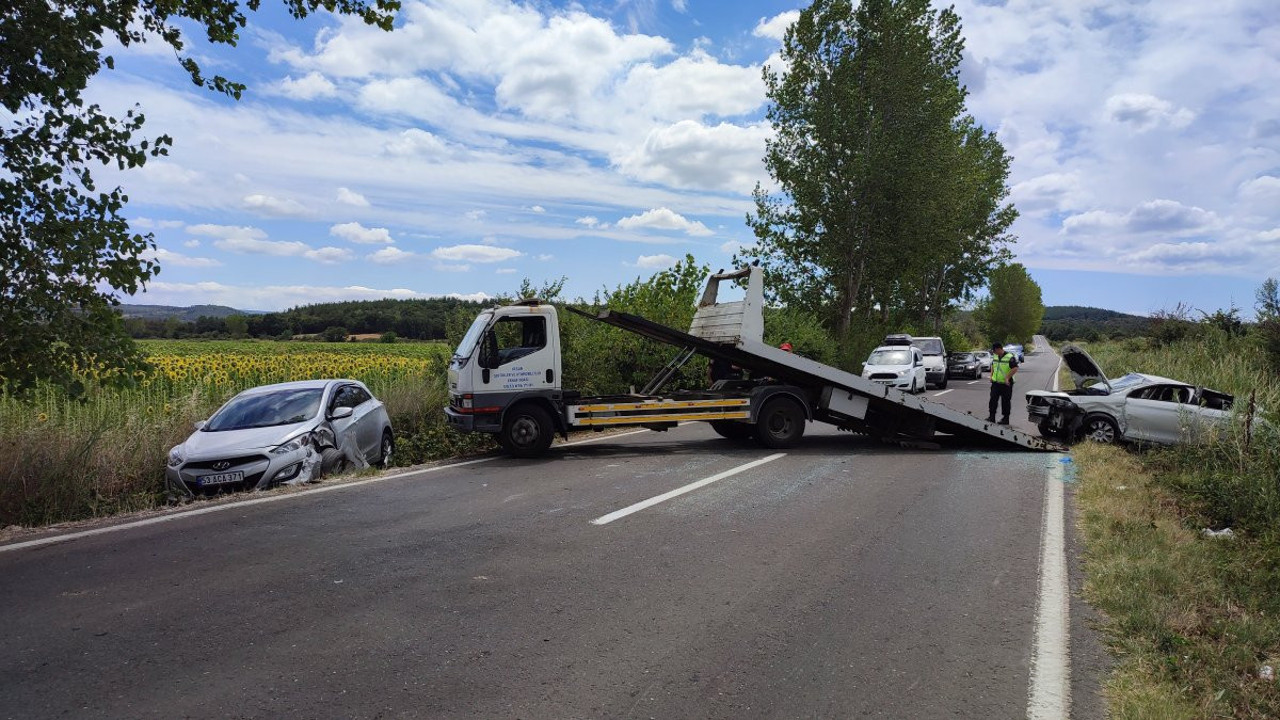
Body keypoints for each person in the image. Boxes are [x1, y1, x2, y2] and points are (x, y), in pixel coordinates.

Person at [987, 341, 1019, 425]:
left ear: (998, 349)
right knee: (993, 400)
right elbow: (993, 366)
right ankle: (991, 417)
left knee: (1005, 401)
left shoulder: (1009, 357)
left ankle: (1005, 419)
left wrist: (1007, 378)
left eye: (994, 351)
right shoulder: (995, 356)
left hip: (1006, 384)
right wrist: (991, 376)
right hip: (996, 383)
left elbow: (1015, 368)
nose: (994, 353)